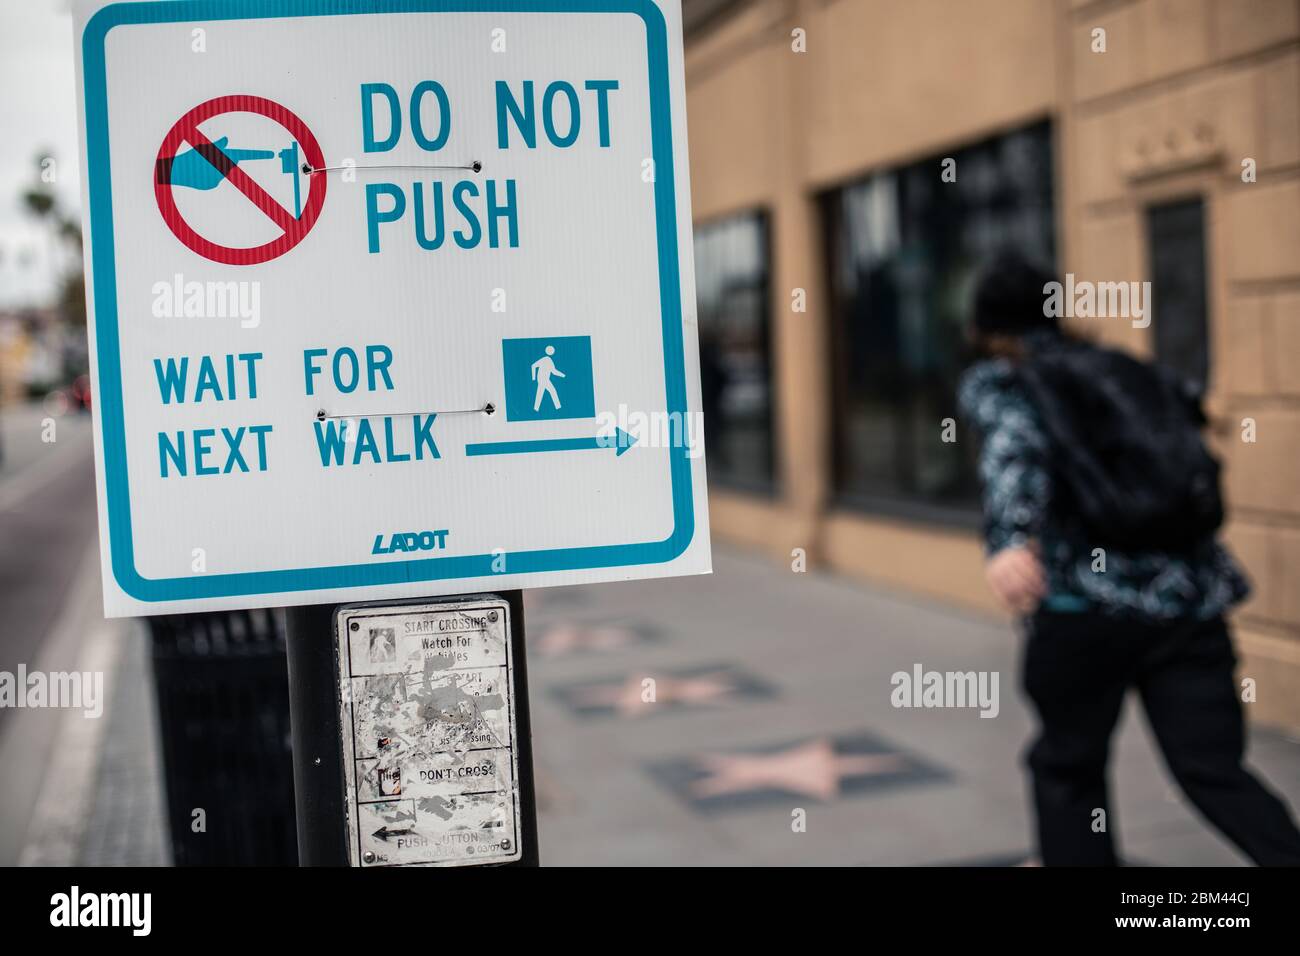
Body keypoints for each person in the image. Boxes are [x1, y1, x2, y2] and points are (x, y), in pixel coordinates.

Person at [958, 252, 1300, 866]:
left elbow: (1015, 454)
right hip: (1189, 601)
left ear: (986, 327)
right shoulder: (1126, 370)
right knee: (1214, 770)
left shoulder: (1010, 382)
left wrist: (1008, 540)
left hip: (1085, 609)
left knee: (1068, 767)